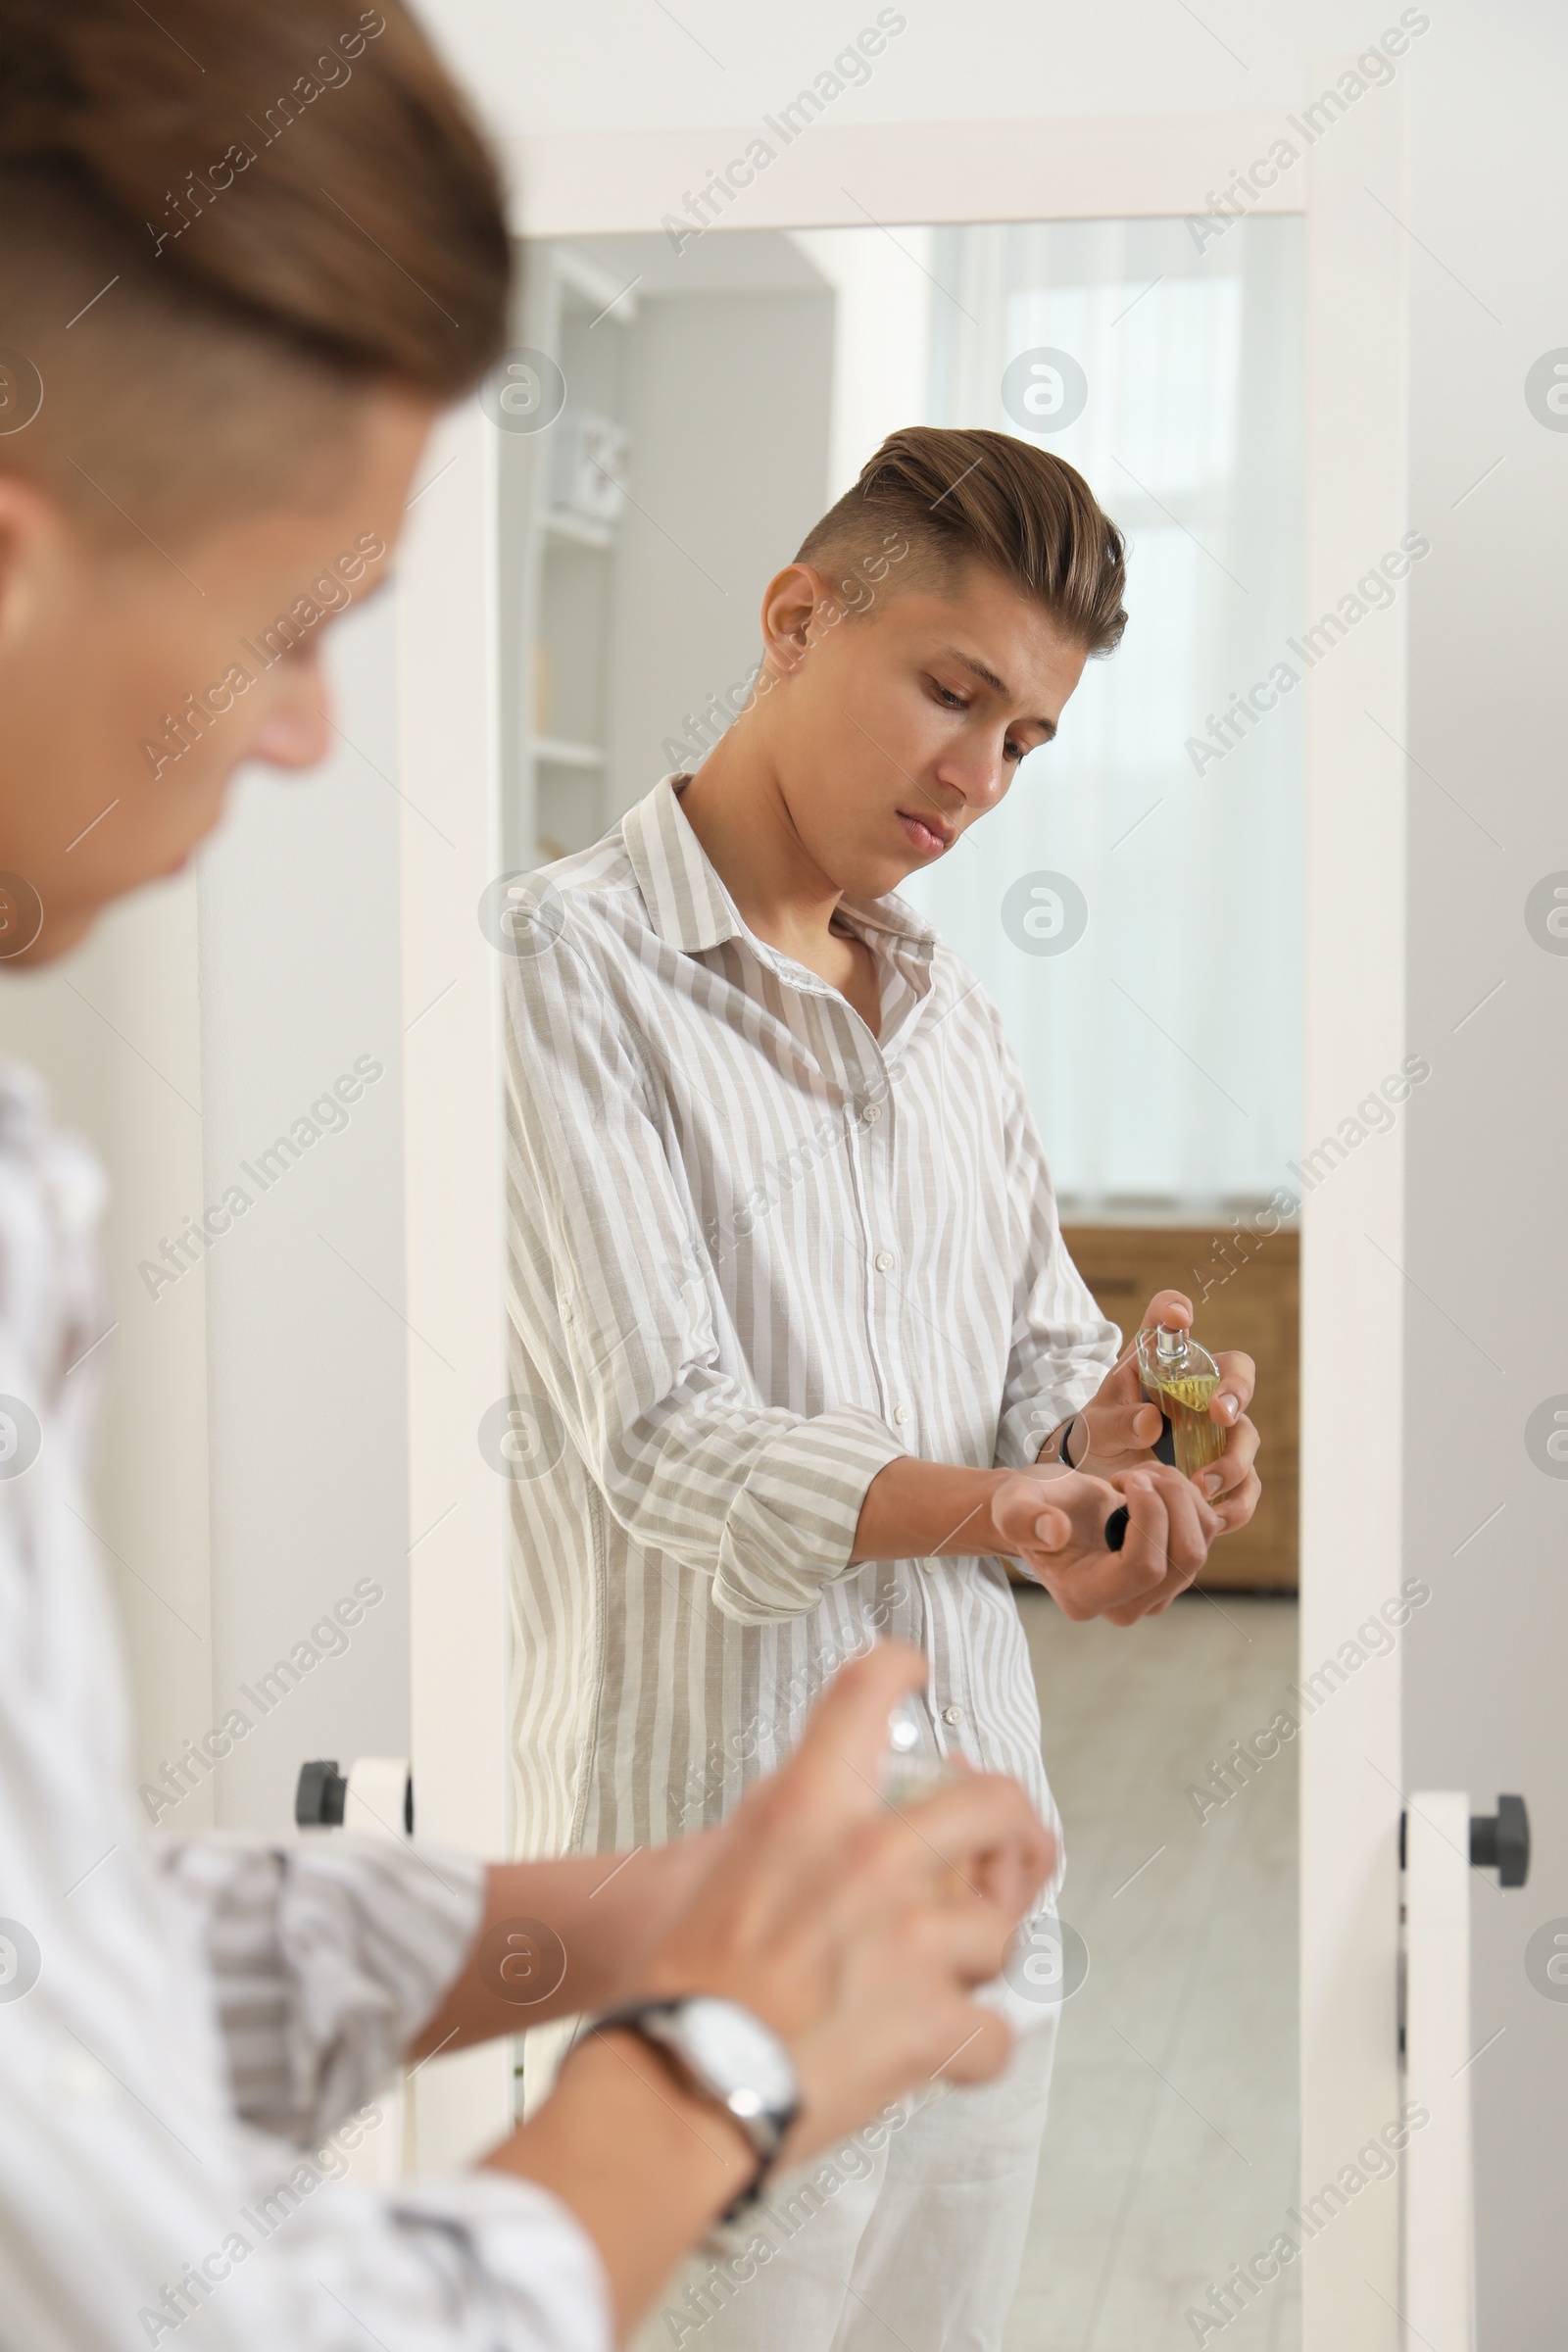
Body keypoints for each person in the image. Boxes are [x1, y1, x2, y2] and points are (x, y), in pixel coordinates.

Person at [0, 6, 1059, 2347]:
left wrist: (669, 1923)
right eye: (300, 628)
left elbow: (69, 1957)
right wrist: (711, 2057)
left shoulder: (955, 1009)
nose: (303, 738)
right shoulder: (565, 967)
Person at [502, 424, 1263, 2350]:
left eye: (1025, 739)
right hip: (710, 1917)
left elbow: (1026, 1355)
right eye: (952, 693)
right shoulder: (565, 963)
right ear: (791, 619)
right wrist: (985, 1502)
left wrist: (1109, 1460)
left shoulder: (950, 1009)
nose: (979, 777)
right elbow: (664, 1438)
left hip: (975, 1907)